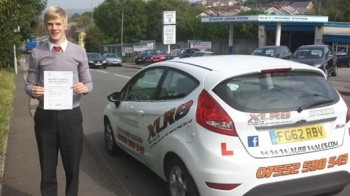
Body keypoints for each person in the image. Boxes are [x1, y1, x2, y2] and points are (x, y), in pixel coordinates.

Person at [25, 6, 93, 196]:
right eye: (50, 24)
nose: (54, 28)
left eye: (58, 24)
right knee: (47, 169)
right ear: (45, 26)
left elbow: (88, 82)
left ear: (65, 25)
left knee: (72, 168)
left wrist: (85, 88)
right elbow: (29, 84)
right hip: (45, 116)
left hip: (71, 116)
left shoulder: (78, 52)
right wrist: (33, 90)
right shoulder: (37, 53)